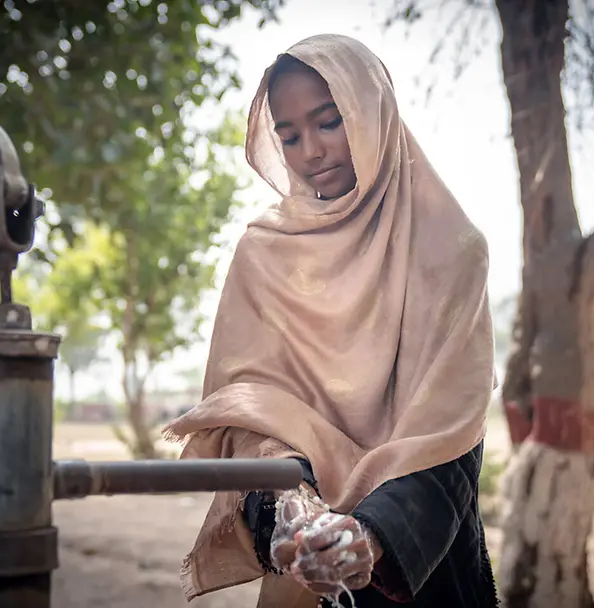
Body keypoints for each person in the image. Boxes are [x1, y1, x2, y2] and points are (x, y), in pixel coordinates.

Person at [163, 33, 498, 608]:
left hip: (421, 567)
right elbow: (250, 415)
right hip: (303, 566)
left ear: (374, 115)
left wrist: (370, 533)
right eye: (288, 135)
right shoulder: (265, 255)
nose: (310, 151)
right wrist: (292, 506)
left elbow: (450, 437)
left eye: (329, 121)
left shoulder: (451, 251)